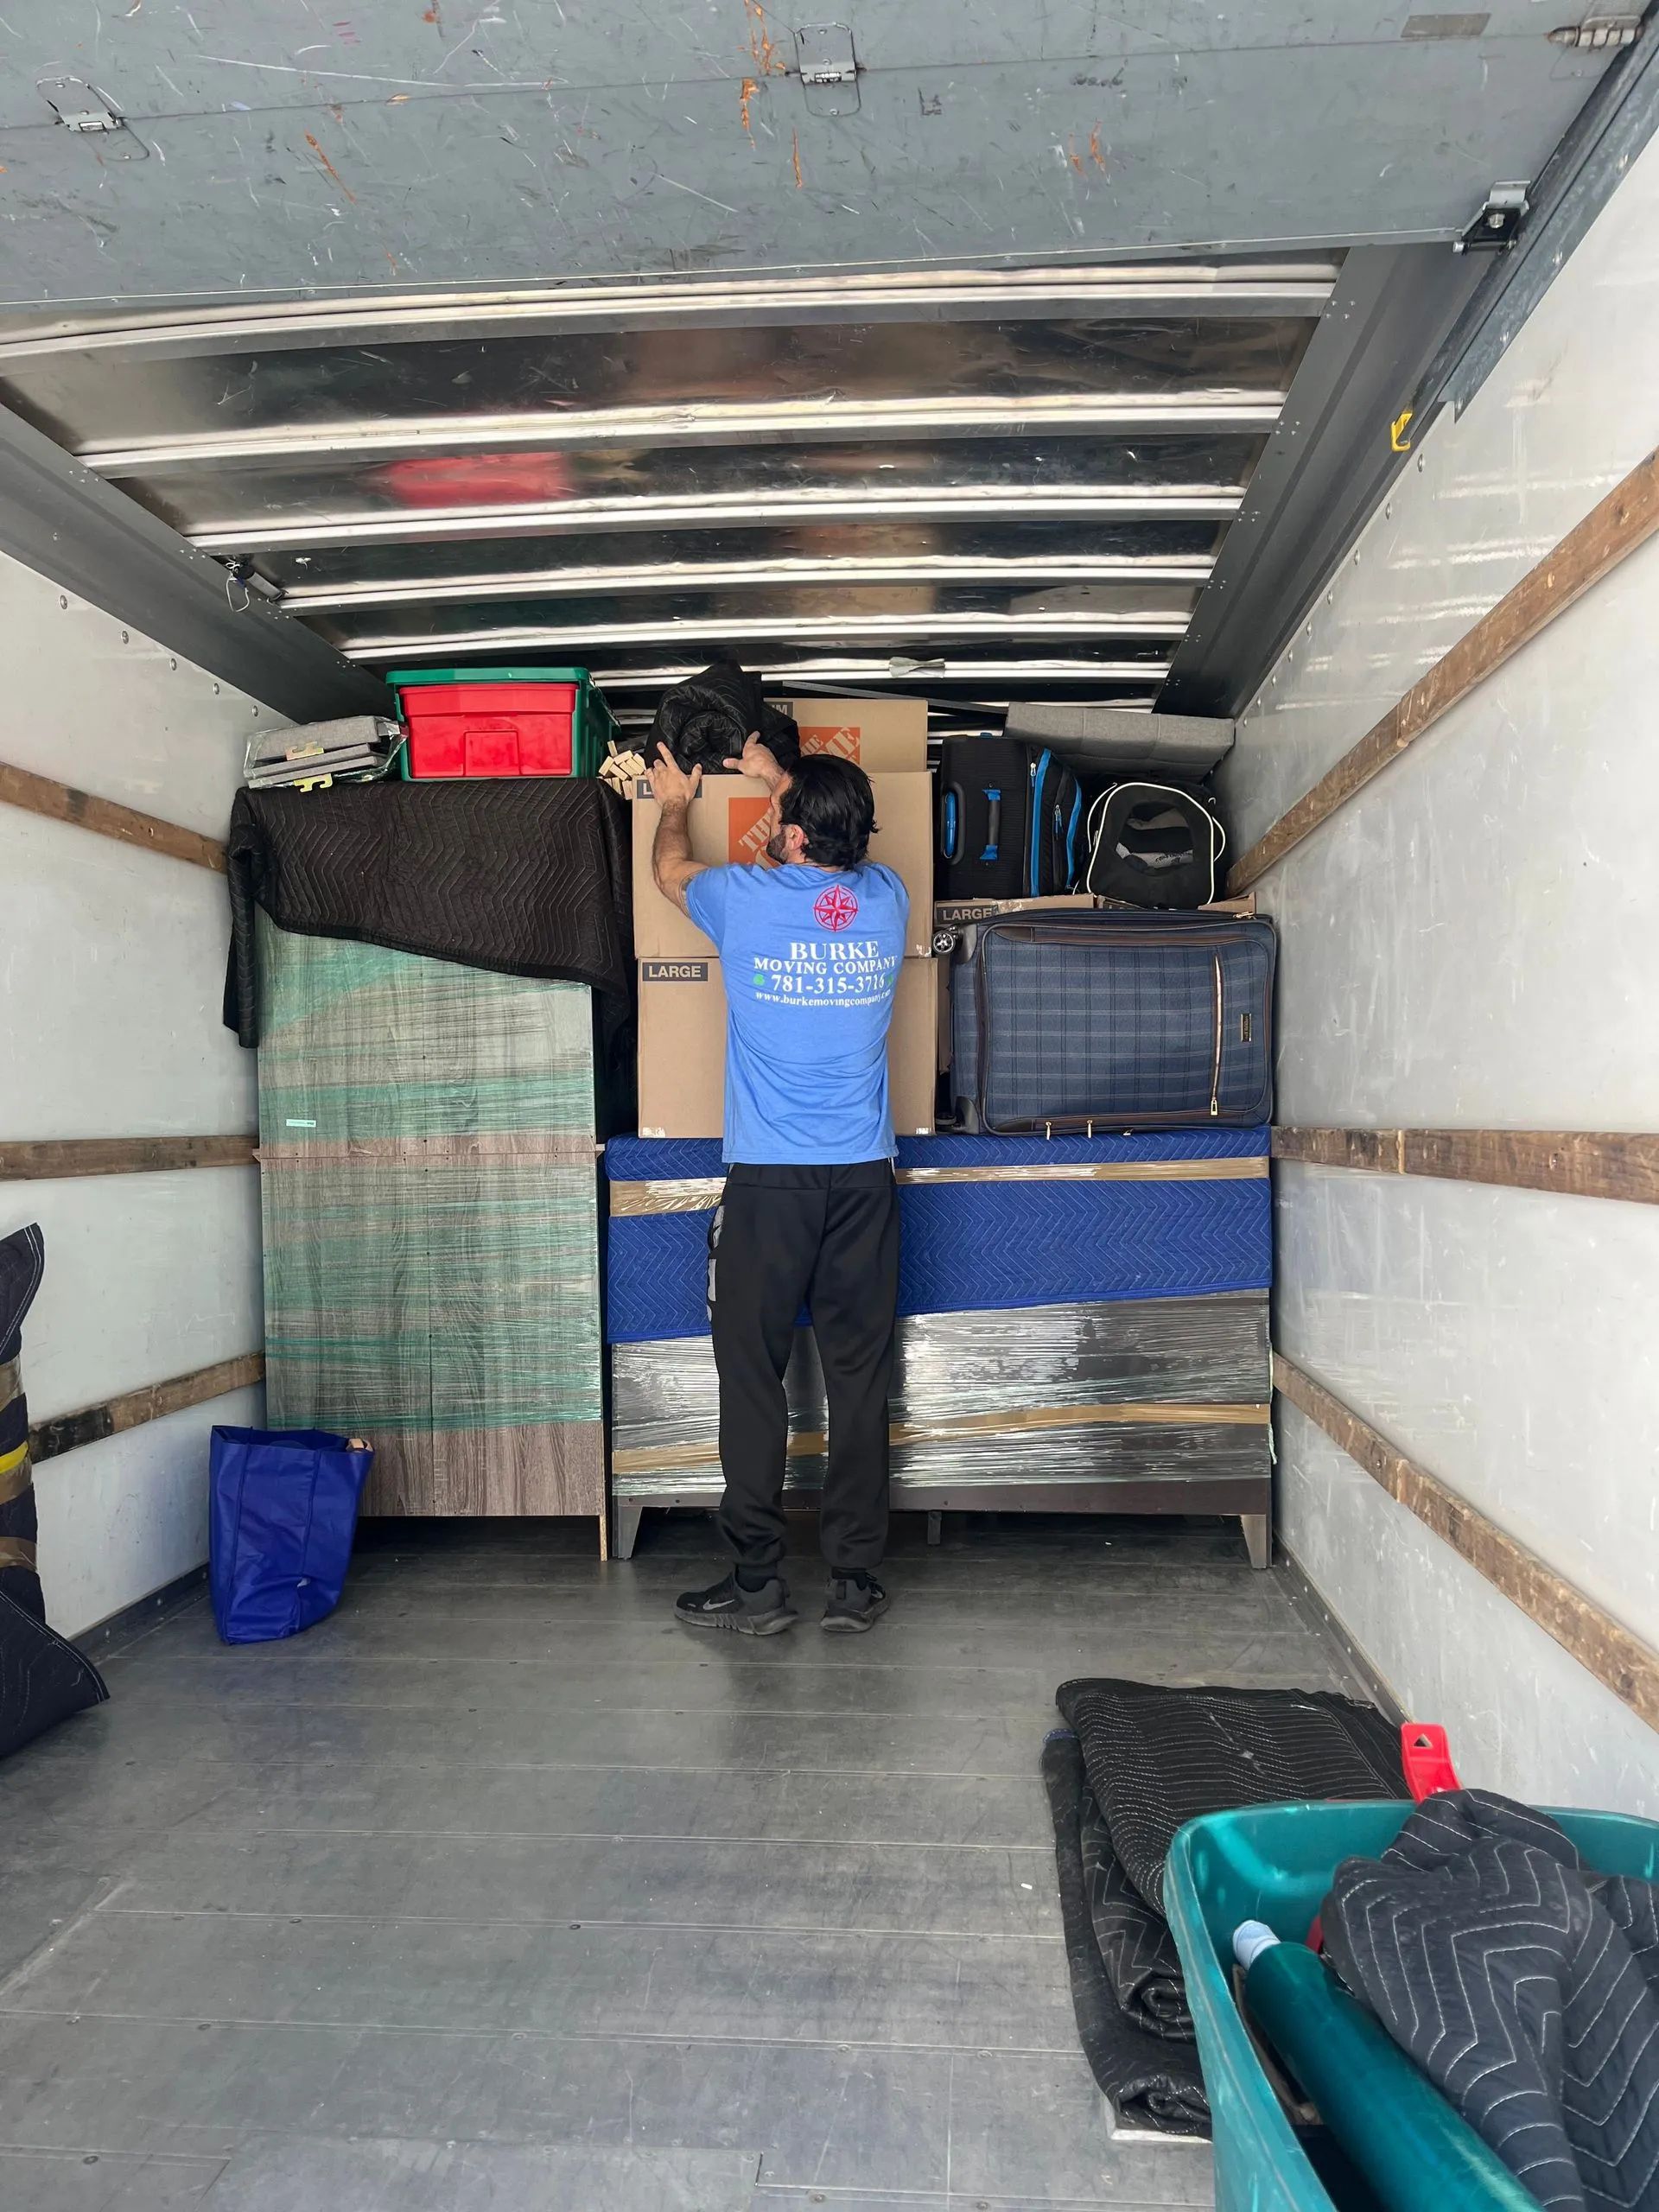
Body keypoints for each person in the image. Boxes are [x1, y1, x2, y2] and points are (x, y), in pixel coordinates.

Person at [648, 732, 909, 1637]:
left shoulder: (739, 900)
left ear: (792, 838)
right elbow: (826, 837)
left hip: (769, 1184)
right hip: (864, 1182)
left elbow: (669, 869)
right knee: (859, 1378)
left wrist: (676, 798)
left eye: (784, 821)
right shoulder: (887, 899)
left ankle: (758, 1586)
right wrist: (781, 780)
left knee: (753, 1378)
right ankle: (854, 1580)